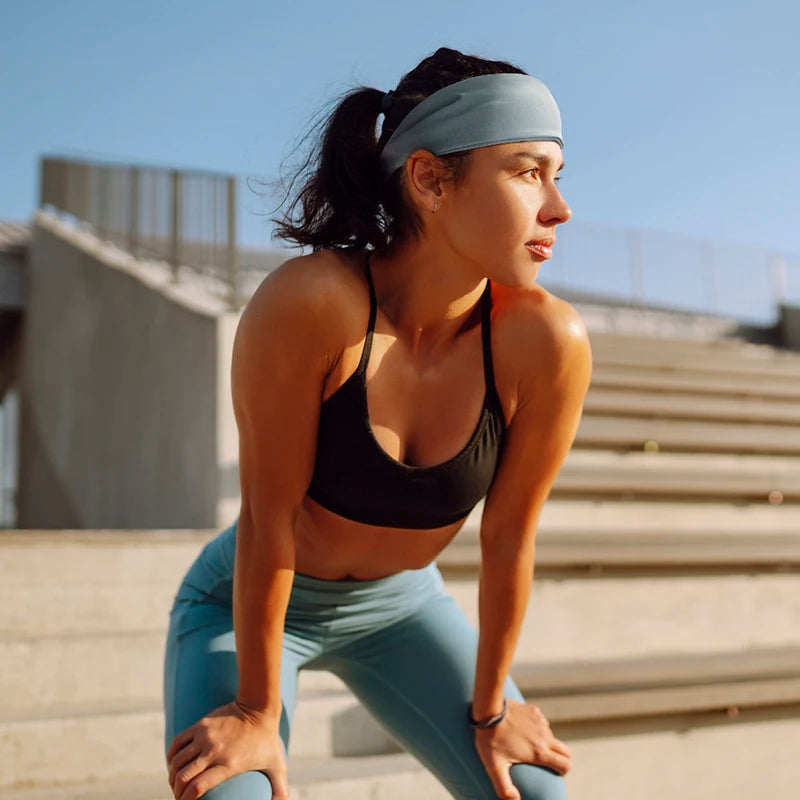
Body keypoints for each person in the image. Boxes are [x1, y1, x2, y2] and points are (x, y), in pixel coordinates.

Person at [163, 46, 592, 800]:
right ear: (429, 179)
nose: (558, 208)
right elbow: (268, 521)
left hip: (403, 606)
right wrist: (258, 712)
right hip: (255, 600)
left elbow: (508, 536)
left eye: (557, 176)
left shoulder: (546, 342)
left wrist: (494, 709)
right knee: (234, 794)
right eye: (529, 172)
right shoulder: (314, 303)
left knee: (535, 792)